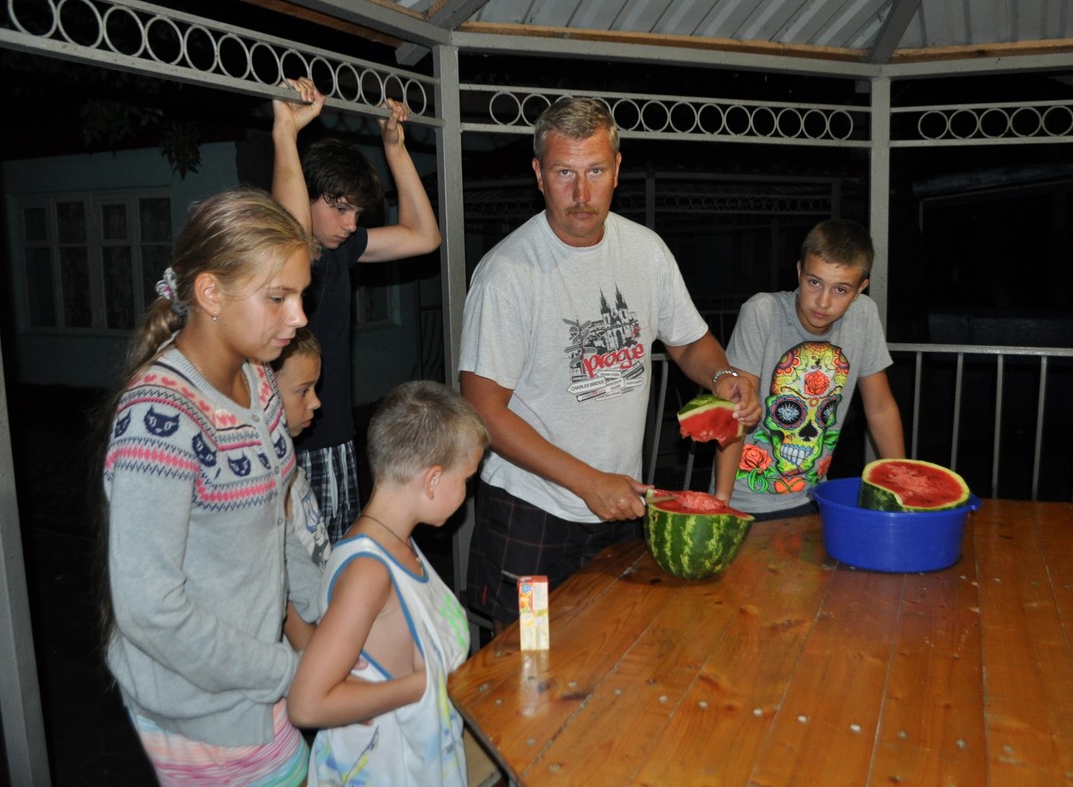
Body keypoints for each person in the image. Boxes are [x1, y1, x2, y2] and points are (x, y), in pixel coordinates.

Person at [458, 96, 761, 629]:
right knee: (528, 659)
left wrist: (723, 376)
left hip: (620, 506)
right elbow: (482, 410)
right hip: (532, 513)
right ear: (539, 175)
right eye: (564, 173)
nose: (581, 193)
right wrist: (588, 482)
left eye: (595, 171)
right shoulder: (506, 274)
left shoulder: (646, 251)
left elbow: (690, 343)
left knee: (615, 649)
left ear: (617, 169)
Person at [100, 187, 313, 786]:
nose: (299, 317)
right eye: (278, 298)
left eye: (300, 295)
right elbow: (149, 610)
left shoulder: (258, 378)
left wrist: (334, 612)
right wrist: (287, 670)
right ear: (211, 293)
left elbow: (279, 522)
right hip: (201, 711)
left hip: (255, 685)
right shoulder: (159, 417)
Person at [288, 380, 488, 787]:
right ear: (432, 480)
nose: (467, 492)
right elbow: (307, 704)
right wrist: (416, 687)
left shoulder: (398, 543)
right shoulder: (369, 571)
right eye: (466, 479)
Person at [272, 78, 442, 544]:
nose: (350, 225)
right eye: (340, 208)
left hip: (335, 438)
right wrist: (284, 132)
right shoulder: (282, 258)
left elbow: (424, 236)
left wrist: (395, 148)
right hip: (288, 443)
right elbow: (291, 232)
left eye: (357, 213)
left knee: (335, 571)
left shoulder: (341, 250)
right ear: (305, 194)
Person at [714, 218, 906, 518]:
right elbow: (735, 410)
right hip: (746, 503)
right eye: (814, 282)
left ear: (860, 289)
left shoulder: (864, 315)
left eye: (840, 289)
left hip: (816, 498)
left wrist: (901, 487)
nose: (823, 302)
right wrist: (721, 502)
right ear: (799, 271)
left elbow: (880, 407)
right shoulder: (761, 313)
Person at [269, 326, 331, 651]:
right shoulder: (270, 486)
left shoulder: (291, 467)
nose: (316, 402)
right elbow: (285, 590)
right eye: (303, 390)